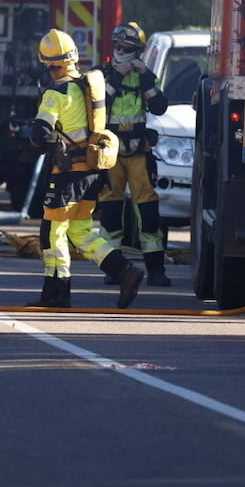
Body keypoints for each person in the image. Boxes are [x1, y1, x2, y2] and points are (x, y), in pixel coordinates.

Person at [24, 28, 144, 309]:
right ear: (74, 58)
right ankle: (125, 271)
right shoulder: (85, 86)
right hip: (91, 170)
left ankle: (56, 293)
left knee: (52, 232)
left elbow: (39, 132)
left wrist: (33, 142)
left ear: (48, 64)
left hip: (67, 175)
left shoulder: (56, 92)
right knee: (80, 231)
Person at [96, 22, 173, 286]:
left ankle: (156, 269)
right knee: (111, 207)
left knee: (148, 208)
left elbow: (160, 107)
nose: (122, 52)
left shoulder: (143, 76)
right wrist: (117, 75)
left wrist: (146, 77)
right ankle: (114, 268)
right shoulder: (102, 74)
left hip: (138, 149)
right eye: (119, 47)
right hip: (110, 150)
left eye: (129, 49)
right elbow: (97, 104)